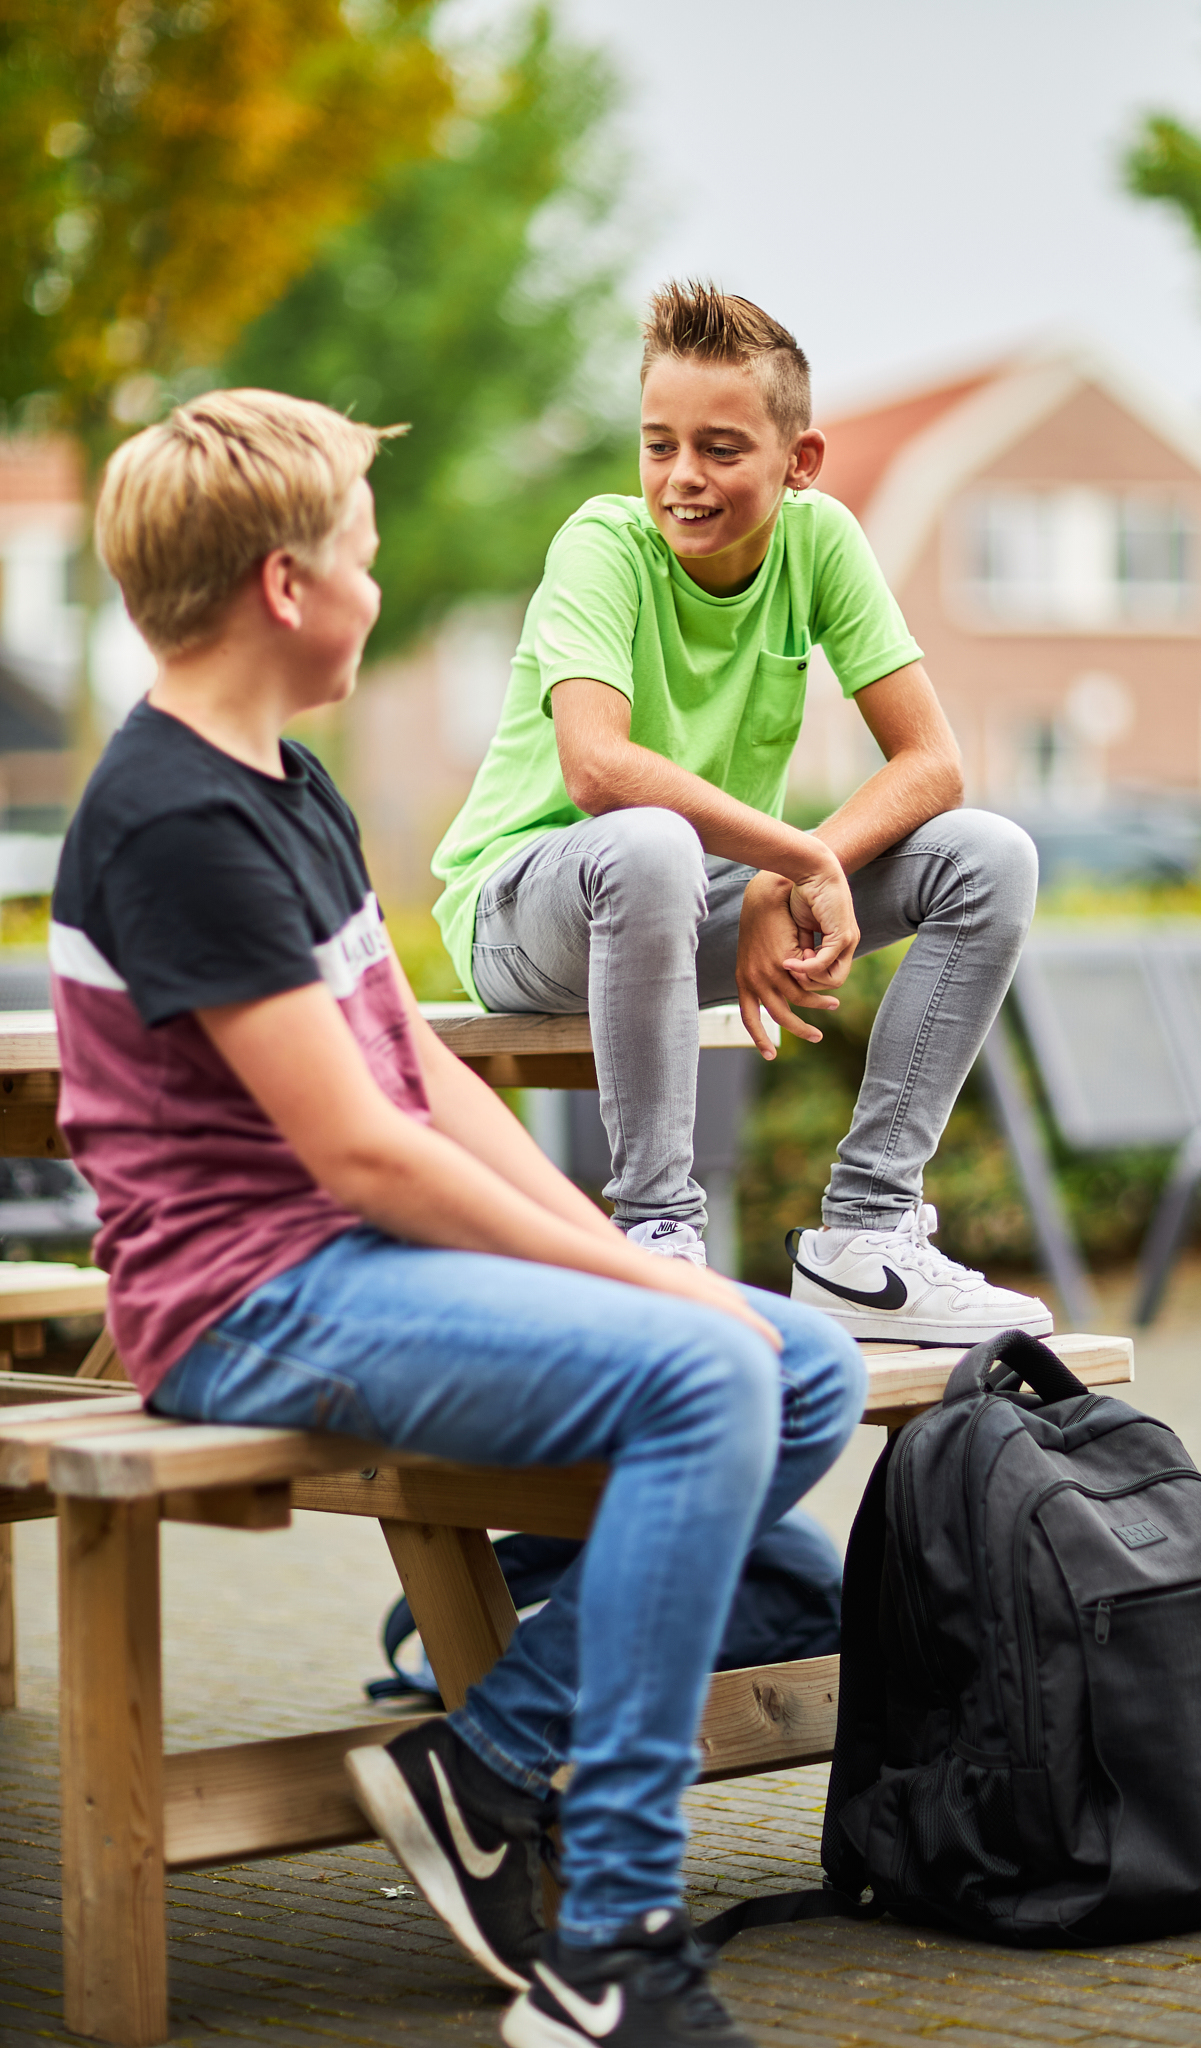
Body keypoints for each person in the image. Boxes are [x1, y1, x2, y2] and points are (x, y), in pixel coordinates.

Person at [49, 389, 866, 2048]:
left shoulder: (287, 783)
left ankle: (490, 1756)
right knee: (707, 1374)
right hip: (249, 1300)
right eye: (360, 545)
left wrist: (615, 1250)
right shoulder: (173, 818)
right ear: (286, 586)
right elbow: (361, 1153)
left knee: (808, 1362)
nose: (377, 570)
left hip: (356, 1266)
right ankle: (613, 1946)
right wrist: (640, 1285)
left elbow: (421, 1066)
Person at [432, 281, 1050, 1343]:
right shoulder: (601, 545)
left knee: (988, 856)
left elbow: (933, 762)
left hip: (688, 890)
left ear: (797, 462)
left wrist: (780, 876)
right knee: (651, 842)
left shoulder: (821, 544)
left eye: (720, 448)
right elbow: (597, 771)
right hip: (526, 908)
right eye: (658, 443)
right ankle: (656, 1236)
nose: (682, 477)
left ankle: (868, 1233)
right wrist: (797, 857)